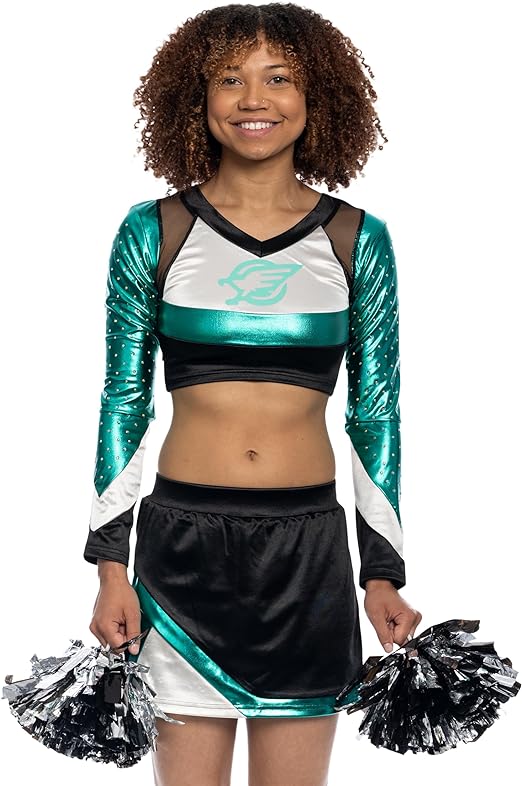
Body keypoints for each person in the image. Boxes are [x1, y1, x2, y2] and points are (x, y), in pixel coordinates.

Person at [85, 4, 422, 785]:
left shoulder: (355, 239)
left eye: (279, 79)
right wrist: (109, 564)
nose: (253, 99)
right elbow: (123, 401)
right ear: (197, 98)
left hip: (308, 557)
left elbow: (375, 413)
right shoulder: (156, 231)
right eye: (229, 79)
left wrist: (382, 572)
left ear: (316, 97)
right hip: (181, 556)